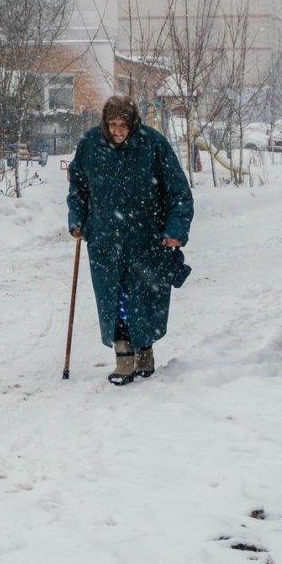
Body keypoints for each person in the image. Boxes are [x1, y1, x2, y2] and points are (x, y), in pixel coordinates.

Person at [67, 95, 194, 385]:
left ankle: (145, 350)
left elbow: (178, 192)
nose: (117, 131)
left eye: (123, 125)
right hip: (105, 240)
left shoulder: (152, 144)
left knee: (145, 296)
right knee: (115, 299)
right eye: (112, 124)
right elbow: (78, 186)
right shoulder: (90, 144)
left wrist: (175, 230)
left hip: (146, 239)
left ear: (133, 124)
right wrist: (77, 218)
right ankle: (124, 357)